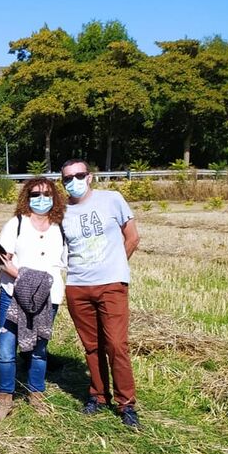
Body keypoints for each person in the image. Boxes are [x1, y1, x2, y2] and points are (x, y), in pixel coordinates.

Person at [60, 159, 141, 428]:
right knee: (92, 347)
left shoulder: (112, 199)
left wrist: (117, 267)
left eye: (78, 175)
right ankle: (98, 395)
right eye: (67, 179)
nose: (73, 181)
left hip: (111, 285)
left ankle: (126, 403)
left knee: (117, 345)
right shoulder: (61, 212)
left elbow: (132, 237)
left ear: (90, 177)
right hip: (77, 286)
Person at [0, 177, 68, 419]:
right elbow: (2, 258)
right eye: (35, 194)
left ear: (54, 198)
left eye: (46, 194)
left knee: (39, 348)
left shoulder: (62, 226)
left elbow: (67, 262)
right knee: (6, 349)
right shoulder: (17, 224)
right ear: (27, 197)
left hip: (48, 297)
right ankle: (5, 400)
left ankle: (36, 395)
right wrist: (23, 277)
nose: (41, 199)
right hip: (13, 293)